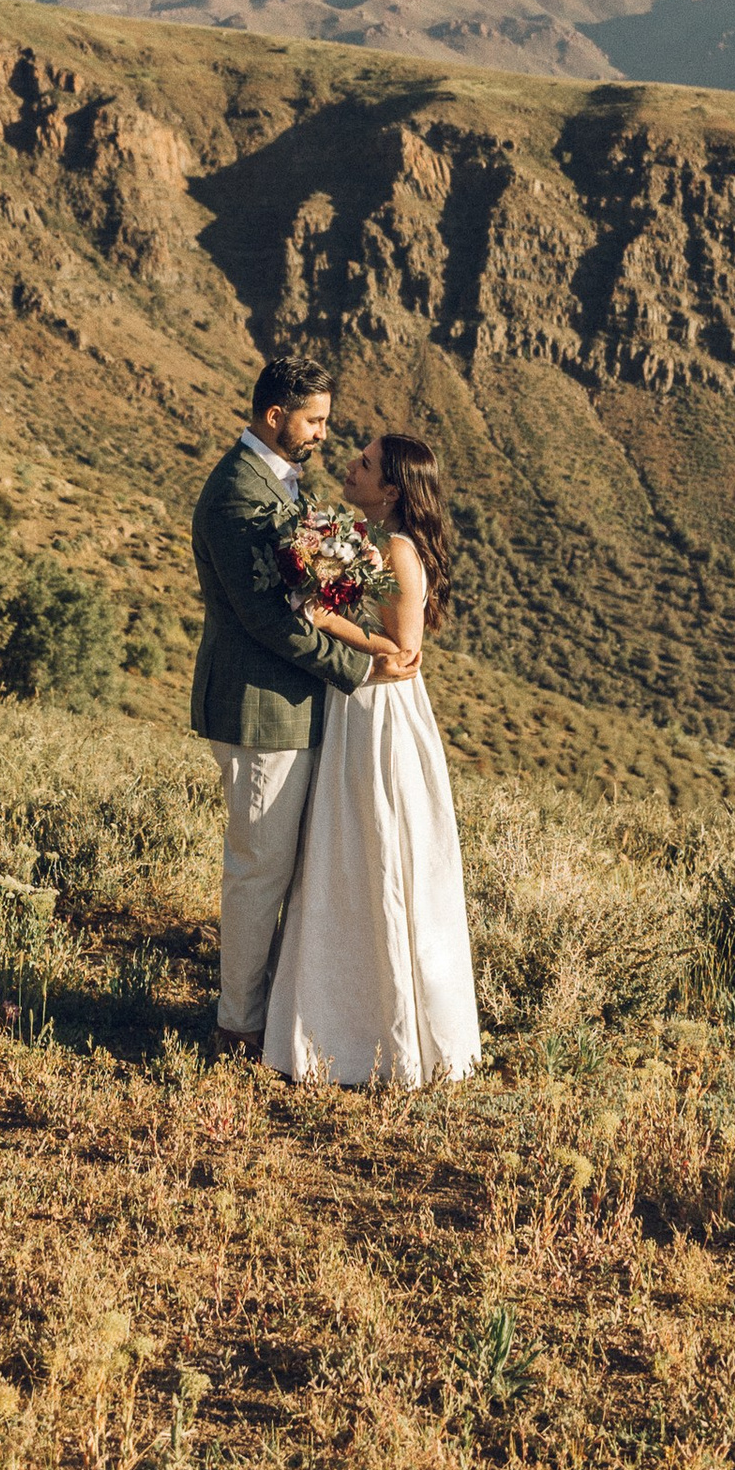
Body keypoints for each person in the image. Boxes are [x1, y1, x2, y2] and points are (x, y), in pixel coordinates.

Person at [189, 353, 401, 1058]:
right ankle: (237, 1027)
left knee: (289, 870)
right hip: (260, 712)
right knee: (258, 873)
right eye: (313, 421)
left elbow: (313, 593)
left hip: (296, 707)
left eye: (326, 422)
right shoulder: (236, 496)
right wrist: (362, 661)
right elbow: (265, 618)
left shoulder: (283, 484)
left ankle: (277, 1015)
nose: (322, 435)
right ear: (275, 416)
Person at [261, 430, 480, 1090]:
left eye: (363, 464)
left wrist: (326, 621)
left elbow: (402, 652)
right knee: (343, 853)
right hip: (351, 700)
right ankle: (338, 1022)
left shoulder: (400, 551)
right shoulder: (357, 535)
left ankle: (384, 1034)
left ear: (390, 488)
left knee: (376, 848)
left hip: (380, 715)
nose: (350, 467)